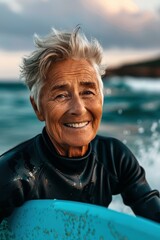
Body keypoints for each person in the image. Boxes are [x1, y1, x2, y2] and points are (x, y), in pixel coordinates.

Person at [0, 27, 160, 224]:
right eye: (61, 95)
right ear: (37, 107)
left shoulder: (114, 157)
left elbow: (154, 220)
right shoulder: (14, 175)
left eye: (88, 92)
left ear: (101, 99)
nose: (78, 108)